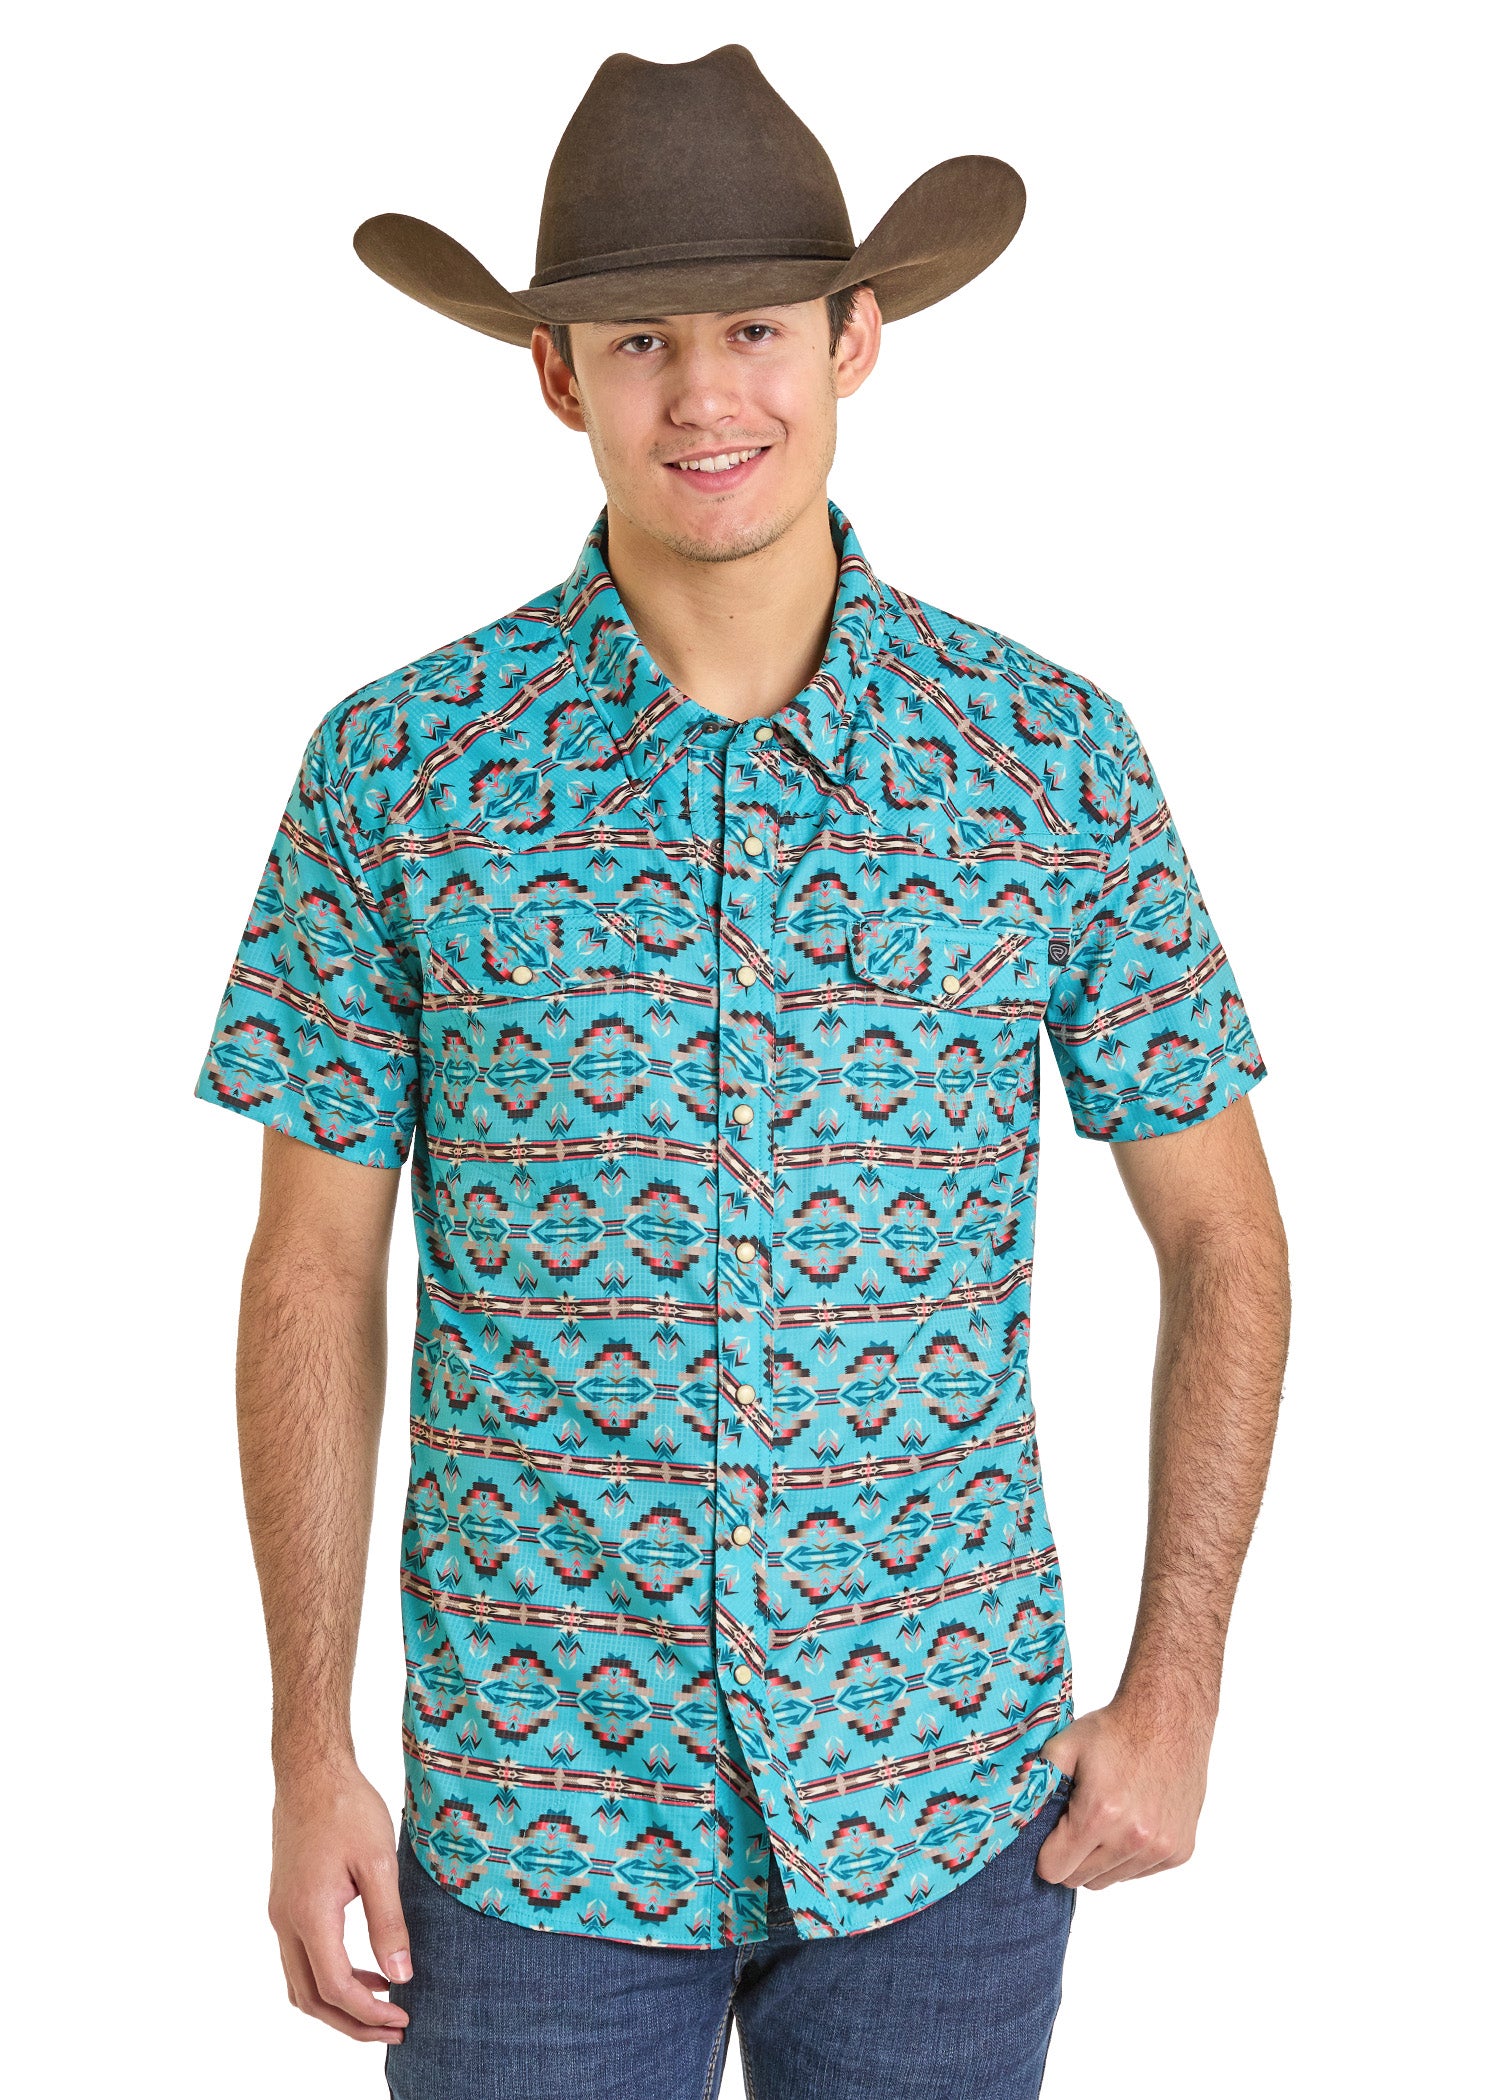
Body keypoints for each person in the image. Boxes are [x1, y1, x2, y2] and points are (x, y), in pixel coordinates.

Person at [194, 41, 1291, 2100]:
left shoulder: (1051, 762)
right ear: (557, 375)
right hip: (531, 1828)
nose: (709, 395)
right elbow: (303, 1280)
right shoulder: (396, 772)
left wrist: (1178, 1693)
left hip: (952, 1814)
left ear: (858, 339)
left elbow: (1226, 1235)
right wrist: (305, 1748)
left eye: (761, 329)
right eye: (641, 340)